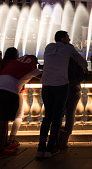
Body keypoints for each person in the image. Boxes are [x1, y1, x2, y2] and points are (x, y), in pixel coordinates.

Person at [37, 31, 88, 159]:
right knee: (57, 116)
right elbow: (82, 61)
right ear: (62, 38)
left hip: (46, 84)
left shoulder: (49, 47)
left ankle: (40, 148)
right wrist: (85, 68)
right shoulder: (67, 49)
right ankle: (51, 147)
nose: (69, 39)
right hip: (61, 84)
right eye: (67, 37)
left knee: (47, 116)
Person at [0, 48, 41, 159]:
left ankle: (4, 144)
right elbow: (44, 77)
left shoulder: (15, 64)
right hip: (7, 91)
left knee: (3, 121)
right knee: (3, 122)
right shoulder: (31, 67)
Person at [58, 55, 86, 149]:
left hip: (61, 88)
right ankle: (65, 140)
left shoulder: (60, 62)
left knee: (59, 114)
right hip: (74, 89)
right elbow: (82, 77)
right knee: (70, 115)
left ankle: (56, 137)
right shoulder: (76, 63)